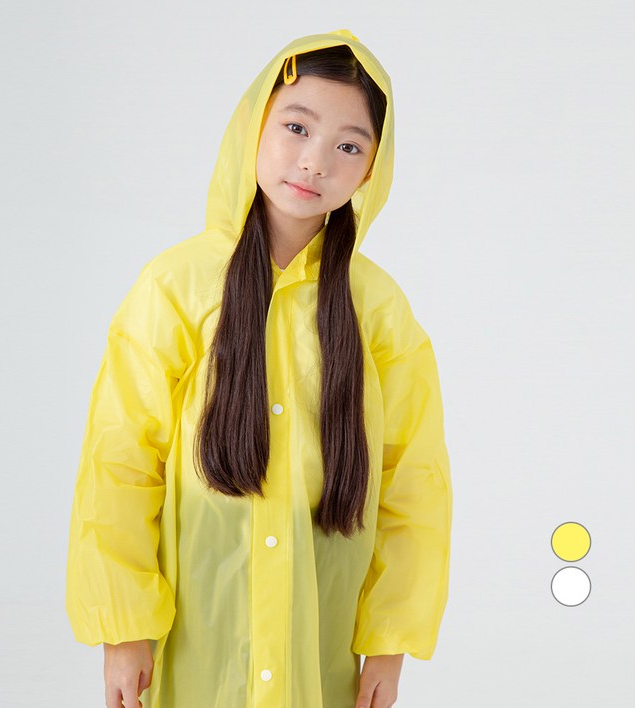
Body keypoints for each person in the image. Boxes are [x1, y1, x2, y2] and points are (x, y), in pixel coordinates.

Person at [65, 28, 453, 708]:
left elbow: (411, 482)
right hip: (195, 644)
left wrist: (389, 641)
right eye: (296, 128)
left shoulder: (378, 309)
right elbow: (121, 459)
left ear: (371, 170)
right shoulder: (175, 287)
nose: (314, 162)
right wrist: (123, 628)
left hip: (320, 649)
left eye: (349, 146)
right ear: (254, 127)